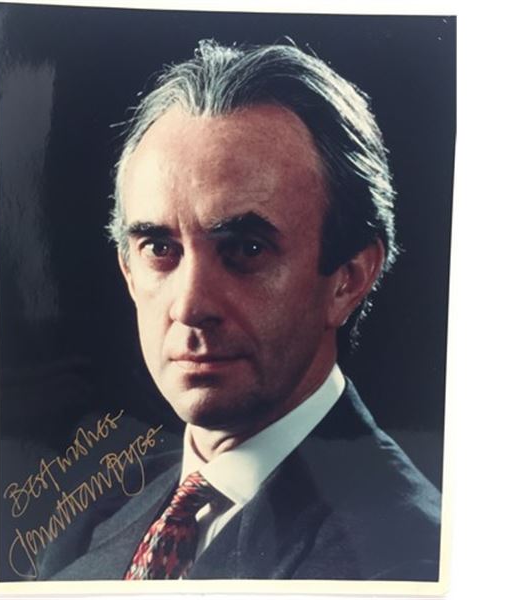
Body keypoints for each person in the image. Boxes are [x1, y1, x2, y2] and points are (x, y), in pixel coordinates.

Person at [38, 40, 441, 581]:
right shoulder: (86, 531)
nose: (190, 305)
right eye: (160, 249)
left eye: (247, 249)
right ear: (128, 271)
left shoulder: (408, 561)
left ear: (348, 278)